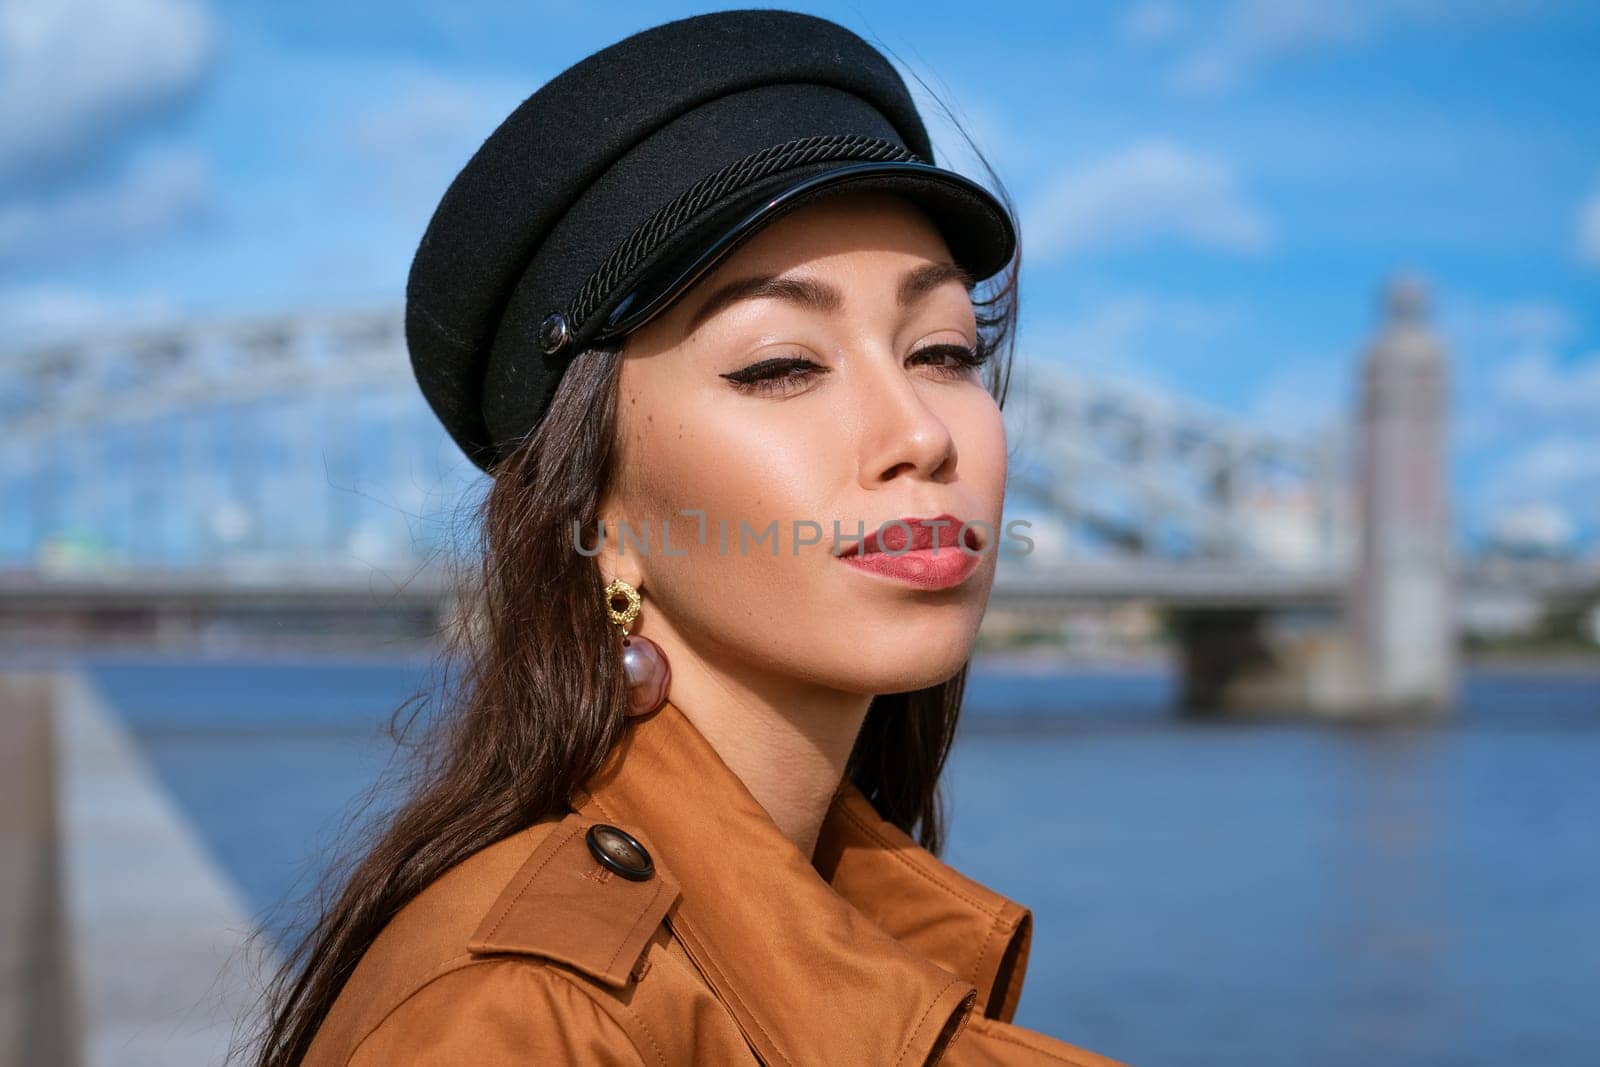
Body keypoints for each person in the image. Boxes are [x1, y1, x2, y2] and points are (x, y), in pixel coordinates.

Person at [245, 9, 1132, 1065]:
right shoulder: (518, 1022)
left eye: (941, 349)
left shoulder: (850, 927)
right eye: (779, 365)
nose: (919, 434)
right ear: (595, 520)